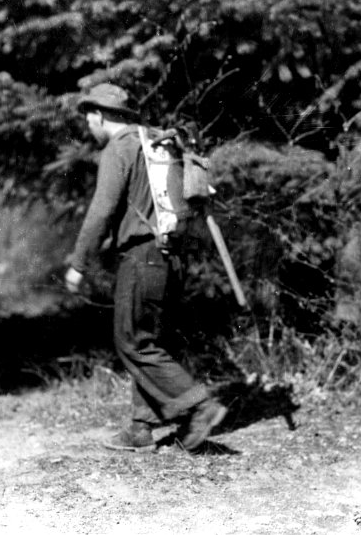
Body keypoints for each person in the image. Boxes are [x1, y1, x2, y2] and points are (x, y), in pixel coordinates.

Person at [64, 83, 227, 452]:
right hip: (172, 256)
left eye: (89, 118)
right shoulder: (155, 143)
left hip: (142, 257)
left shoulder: (119, 148)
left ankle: (199, 406)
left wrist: (79, 262)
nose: (89, 126)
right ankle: (141, 428)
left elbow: (101, 210)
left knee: (131, 340)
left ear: (98, 115)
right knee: (150, 340)